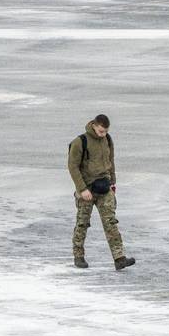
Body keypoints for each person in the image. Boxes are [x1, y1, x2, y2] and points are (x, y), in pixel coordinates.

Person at [67, 114, 135, 271]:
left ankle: (119, 258)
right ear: (94, 126)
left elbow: (111, 162)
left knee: (111, 222)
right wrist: (82, 189)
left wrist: (113, 182)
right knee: (82, 223)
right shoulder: (80, 142)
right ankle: (78, 256)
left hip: (104, 187)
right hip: (87, 189)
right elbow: (72, 166)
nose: (103, 134)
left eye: (105, 131)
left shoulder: (108, 140)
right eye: (101, 131)